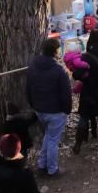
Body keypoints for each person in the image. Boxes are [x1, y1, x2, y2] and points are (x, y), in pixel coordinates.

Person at [26, 38, 72, 178]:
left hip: (40, 109)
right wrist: (67, 110)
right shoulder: (59, 70)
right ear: (55, 51)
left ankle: (42, 164)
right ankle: (52, 169)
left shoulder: (33, 65)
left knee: (48, 137)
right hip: (55, 111)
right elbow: (66, 94)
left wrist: (33, 105)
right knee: (53, 140)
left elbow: (28, 88)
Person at [66, 39, 98, 152]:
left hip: (88, 92)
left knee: (84, 117)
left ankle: (77, 145)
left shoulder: (87, 58)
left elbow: (76, 75)